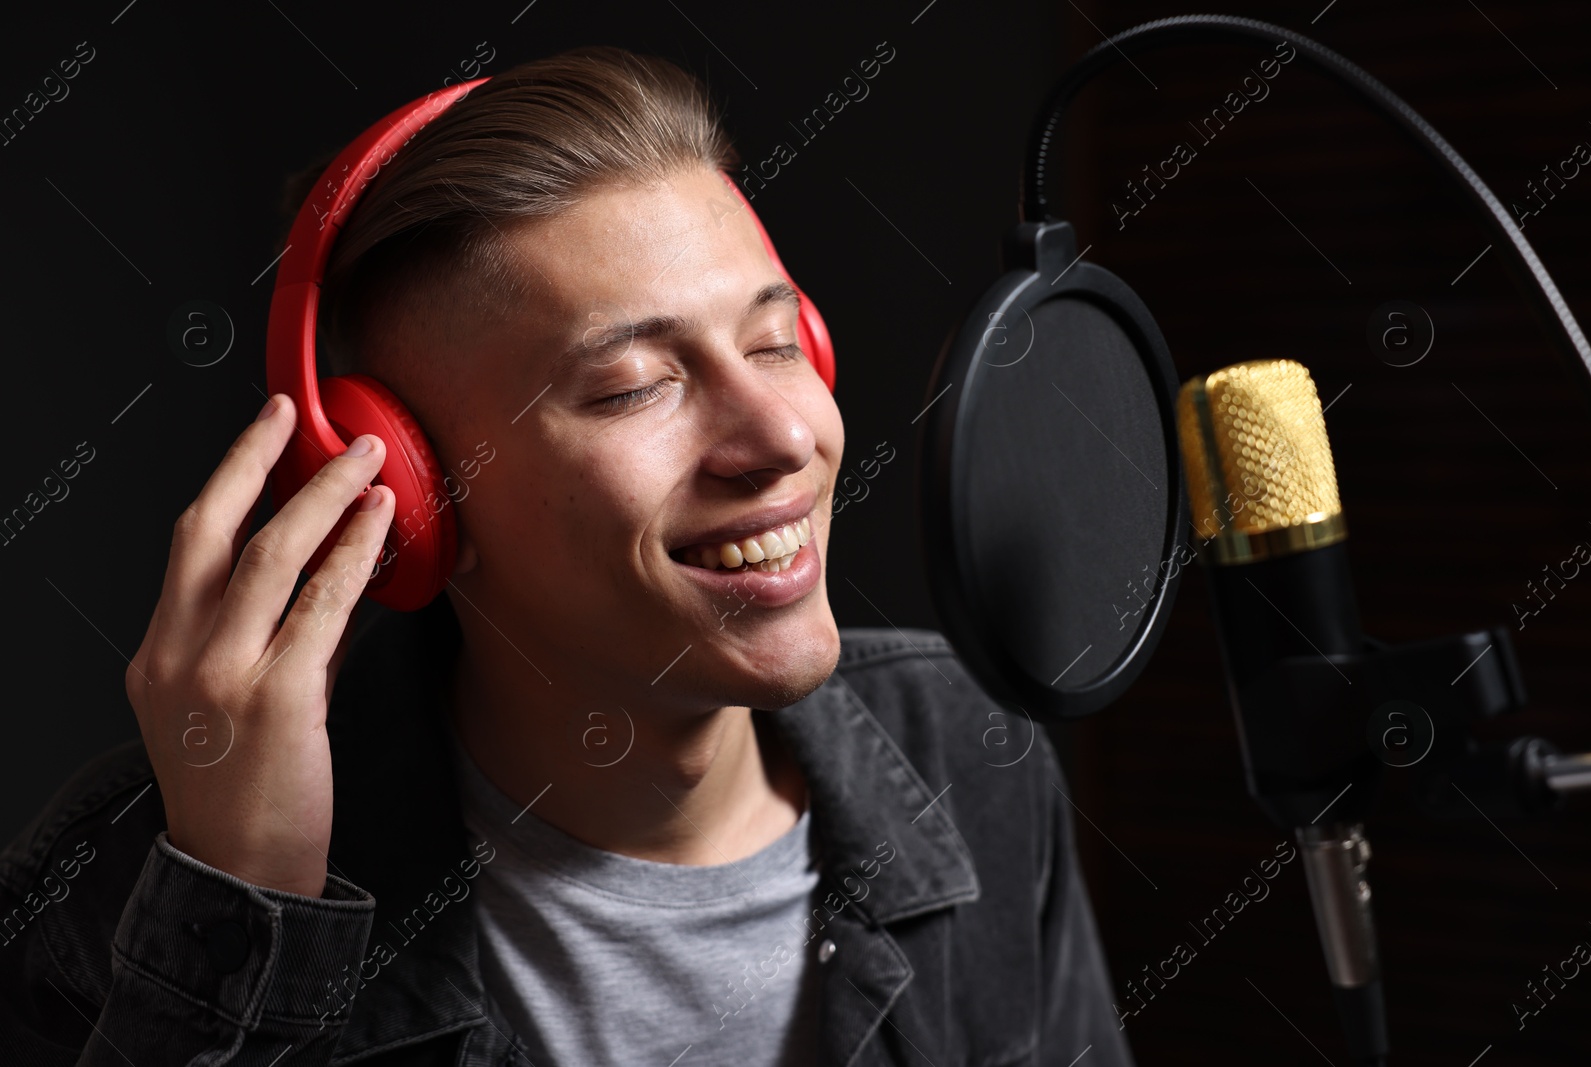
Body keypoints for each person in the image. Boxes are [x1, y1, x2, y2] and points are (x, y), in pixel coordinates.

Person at [0, 45, 1133, 1066]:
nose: (785, 439)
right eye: (635, 385)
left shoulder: (968, 743)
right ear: (409, 501)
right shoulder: (139, 877)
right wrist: (243, 907)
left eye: (775, 342)